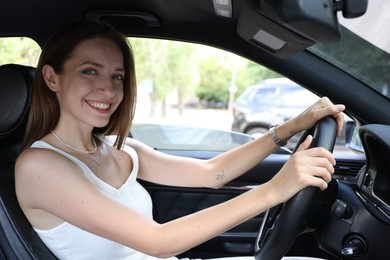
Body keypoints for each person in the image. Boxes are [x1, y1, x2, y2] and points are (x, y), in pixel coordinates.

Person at [15, 19, 345, 260]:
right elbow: (157, 241)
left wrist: (294, 125)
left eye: (118, 76)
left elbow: (211, 173)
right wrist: (275, 189)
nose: (110, 89)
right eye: (90, 71)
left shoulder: (119, 147)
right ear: (51, 78)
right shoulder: (38, 166)